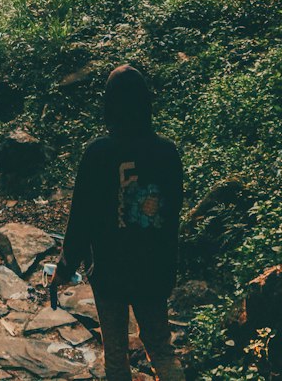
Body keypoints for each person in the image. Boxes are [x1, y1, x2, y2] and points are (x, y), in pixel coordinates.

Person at [55, 64, 185, 381]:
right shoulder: (167, 153)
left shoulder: (98, 154)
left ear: (109, 106)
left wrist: (65, 265)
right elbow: (171, 221)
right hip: (153, 271)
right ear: (146, 104)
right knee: (162, 351)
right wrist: (169, 271)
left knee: (115, 359)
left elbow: (80, 218)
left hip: (109, 274)